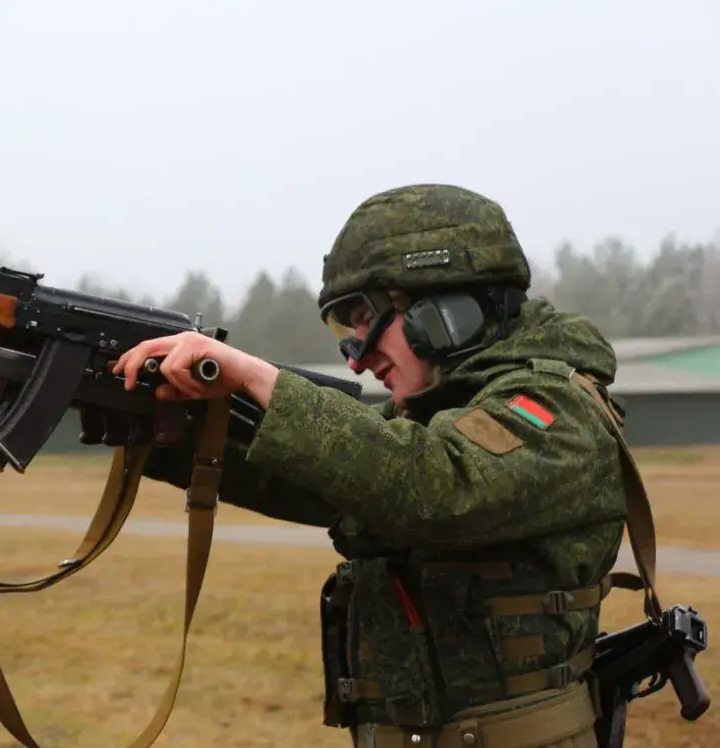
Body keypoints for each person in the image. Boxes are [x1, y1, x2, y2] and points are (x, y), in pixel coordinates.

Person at [101, 184, 641, 747]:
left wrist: (259, 378)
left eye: (364, 319)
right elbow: (314, 482)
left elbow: (435, 489)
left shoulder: (557, 408)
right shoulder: (438, 421)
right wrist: (150, 418)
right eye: (344, 331)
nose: (357, 356)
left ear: (446, 310)